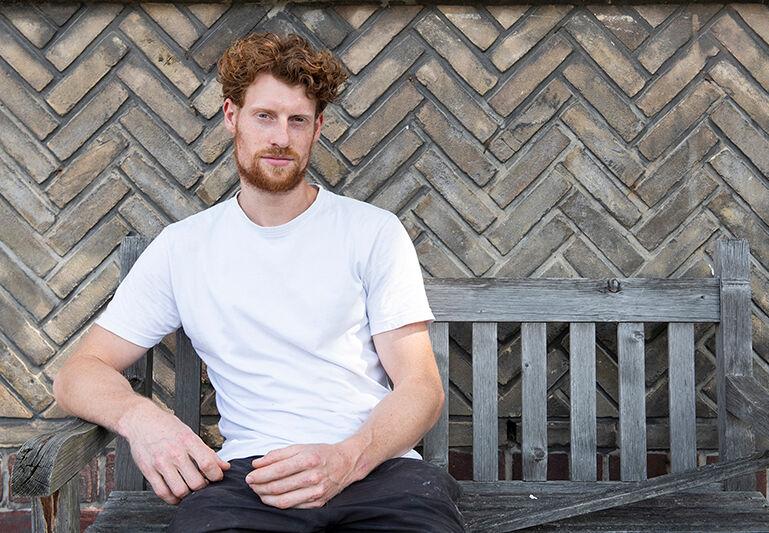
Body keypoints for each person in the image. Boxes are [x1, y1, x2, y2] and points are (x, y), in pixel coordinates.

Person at [53, 32, 465, 532]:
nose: (281, 138)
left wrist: (347, 459)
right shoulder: (183, 248)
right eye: (265, 116)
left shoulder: (373, 232)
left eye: (298, 120)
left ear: (317, 128)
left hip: (378, 470)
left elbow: (422, 387)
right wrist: (141, 419)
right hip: (249, 481)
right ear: (232, 116)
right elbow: (78, 374)